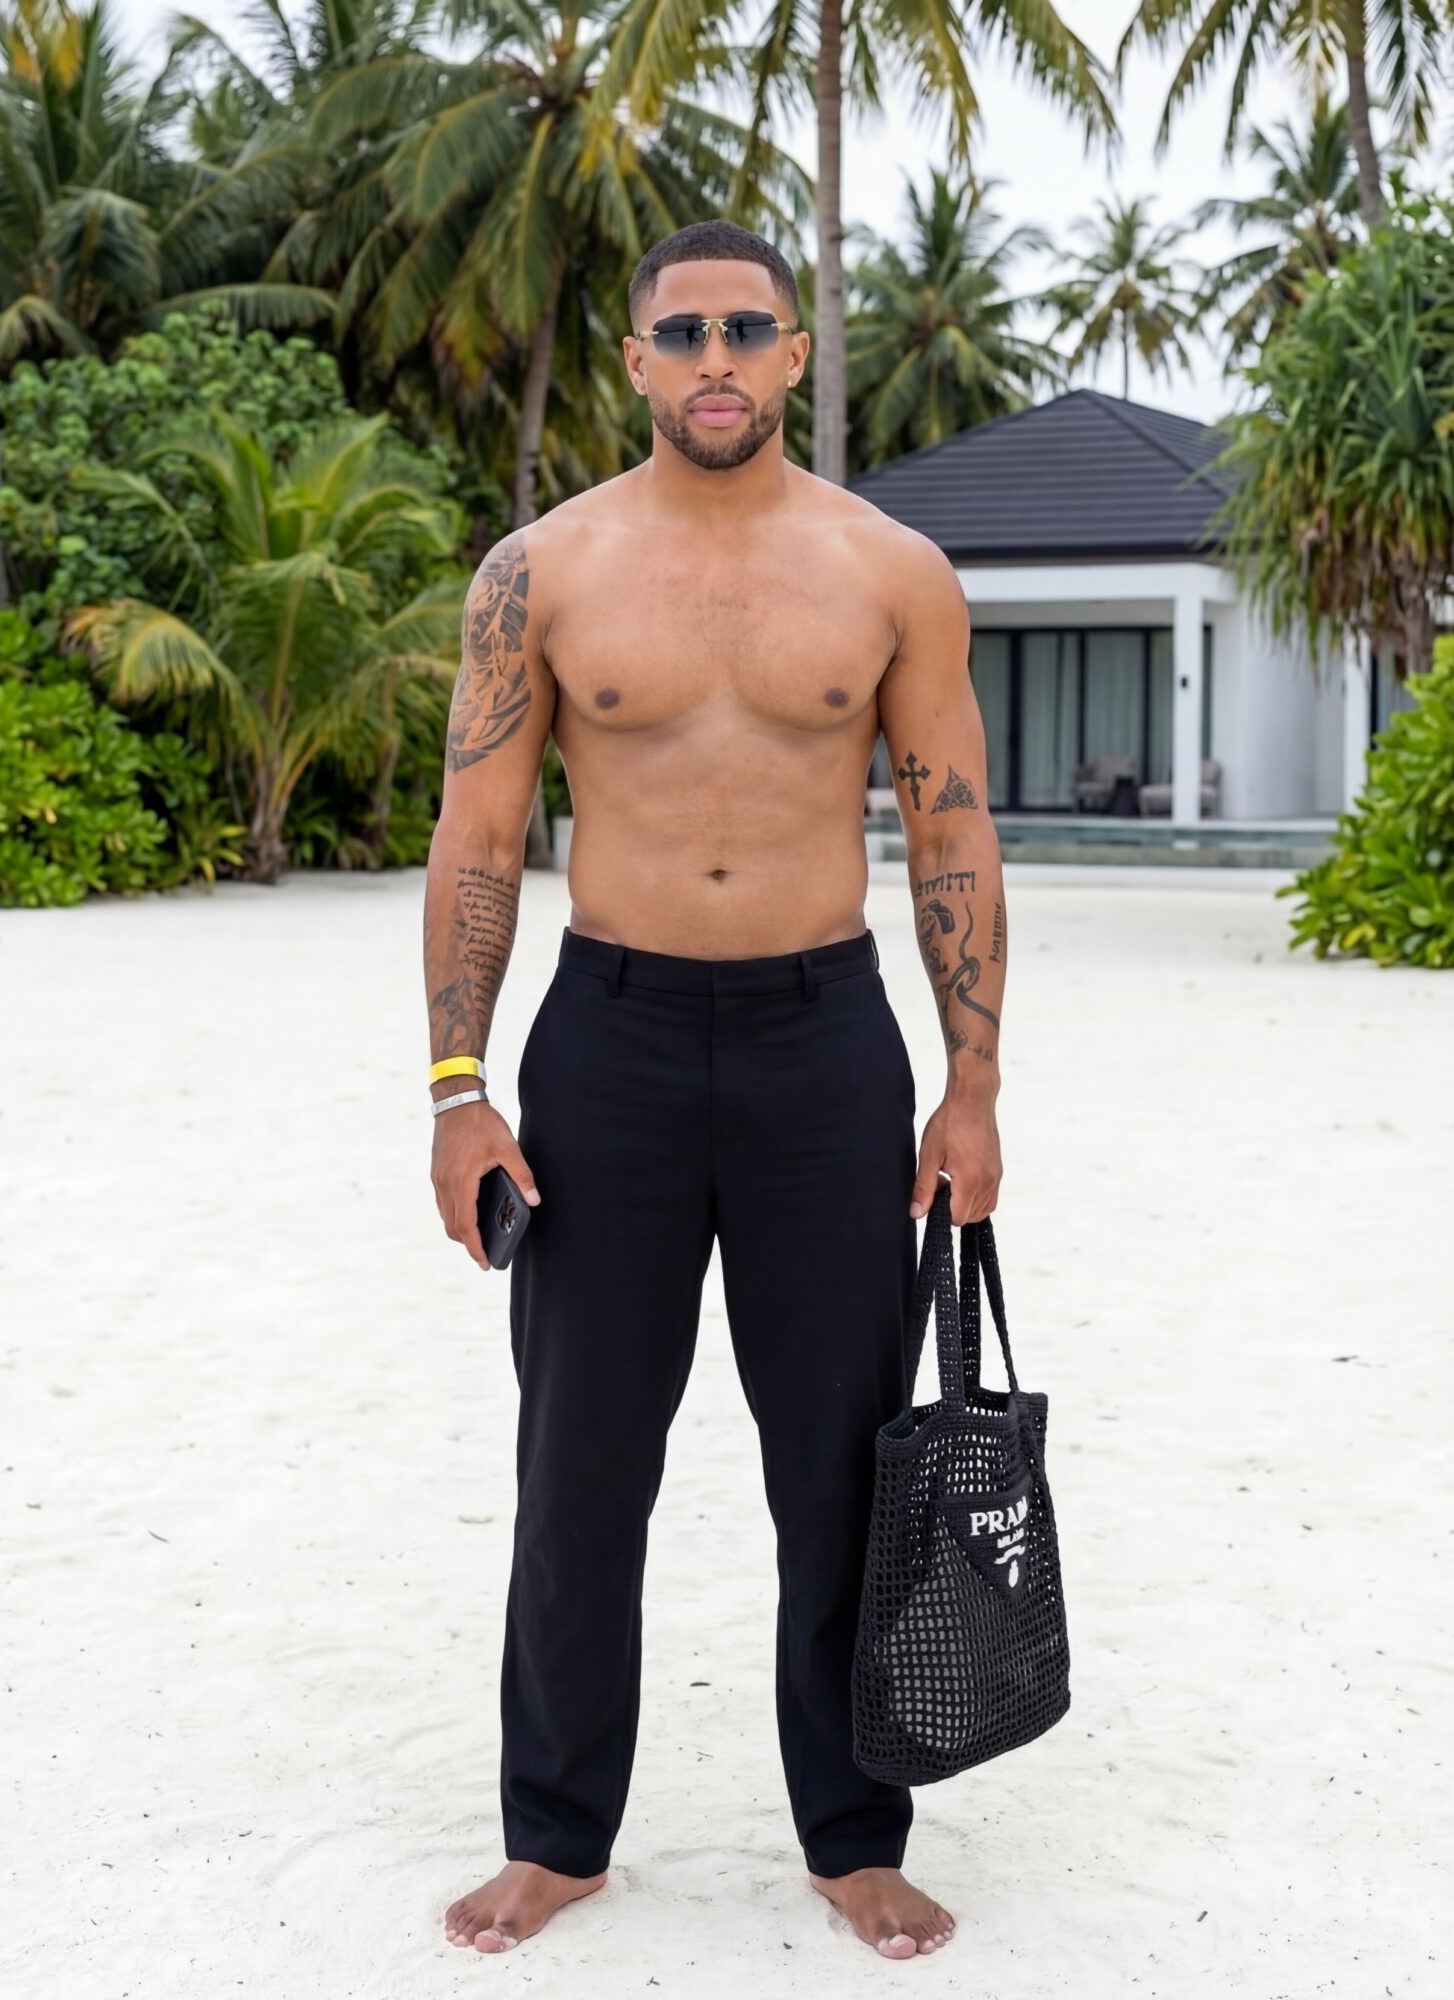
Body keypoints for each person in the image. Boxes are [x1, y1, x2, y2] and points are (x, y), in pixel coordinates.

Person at [423, 219, 1006, 1963]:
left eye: (748, 328)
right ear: (633, 362)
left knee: (838, 1458)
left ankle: (849, 1833)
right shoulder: (544, 569)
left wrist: (969, 1086)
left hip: (825, 1049)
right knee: (580, 1459)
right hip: (605, 1043)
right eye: (681, 335)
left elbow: (953, 829)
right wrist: (458, 1085)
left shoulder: (889, 568)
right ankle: (557, 1833)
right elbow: (479, 834)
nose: (716, 361)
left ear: (797, 348)